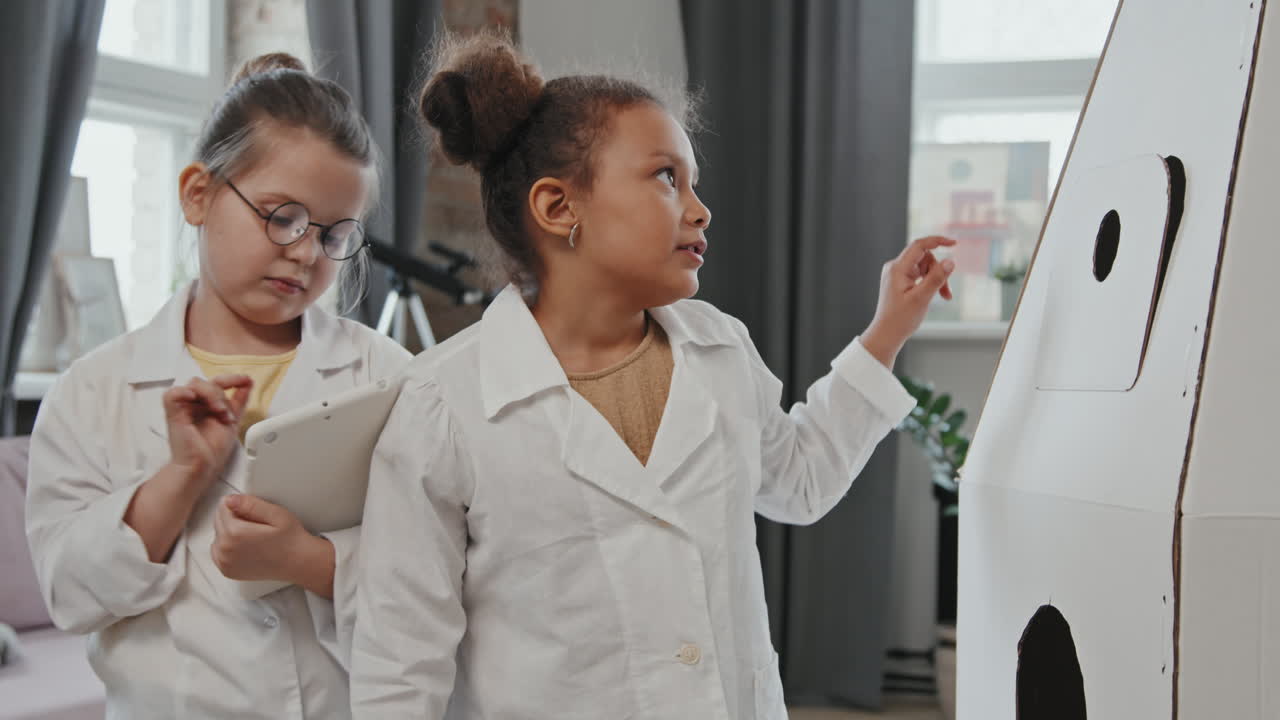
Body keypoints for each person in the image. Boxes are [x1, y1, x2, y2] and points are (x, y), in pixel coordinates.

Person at [351, 31, 956, 719]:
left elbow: (801, 479)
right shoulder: (442, 406)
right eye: (667, 177)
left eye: (693, 182)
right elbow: (401, 664)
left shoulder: (720, 349)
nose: (701, 210)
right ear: (558, 207)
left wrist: (887, 333)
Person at [25, 52, 410, 718]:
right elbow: (71, 594)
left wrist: (310, 560)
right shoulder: (92, 393)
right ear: (198, 194)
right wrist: (178, 479)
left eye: (334, 234)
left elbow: (442, 578)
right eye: (281, 215)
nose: (305, 253)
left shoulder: (388, 377)